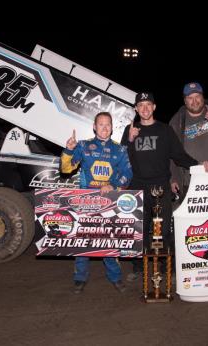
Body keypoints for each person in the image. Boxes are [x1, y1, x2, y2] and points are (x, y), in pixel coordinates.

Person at [121, 92, 208, 281]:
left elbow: (179, 156)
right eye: (141, 105)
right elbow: (122, 159)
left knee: (162, 229)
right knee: (140, 228)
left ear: (154, 107)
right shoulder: (130, 130)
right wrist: (129, 140)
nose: (145, 108)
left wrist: (198, 164)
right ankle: (139, 266)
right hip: (137, 187)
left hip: (160, 186)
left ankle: (165, 264)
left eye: (148, 104)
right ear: (136, 109)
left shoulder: (164, 130)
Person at [60, 111, 133, 294]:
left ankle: (115, 278)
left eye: (108, 124)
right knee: (83, 243)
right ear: (94, 126)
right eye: (101, 124)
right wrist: (69, 150)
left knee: (109, 243)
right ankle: (79, 278)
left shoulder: (120, 149)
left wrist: (113, 185)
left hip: (109, 203)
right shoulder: (83, 146)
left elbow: (128, 174)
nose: (104, 128)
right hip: (85, 202)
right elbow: (66, 168)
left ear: (111, 127)